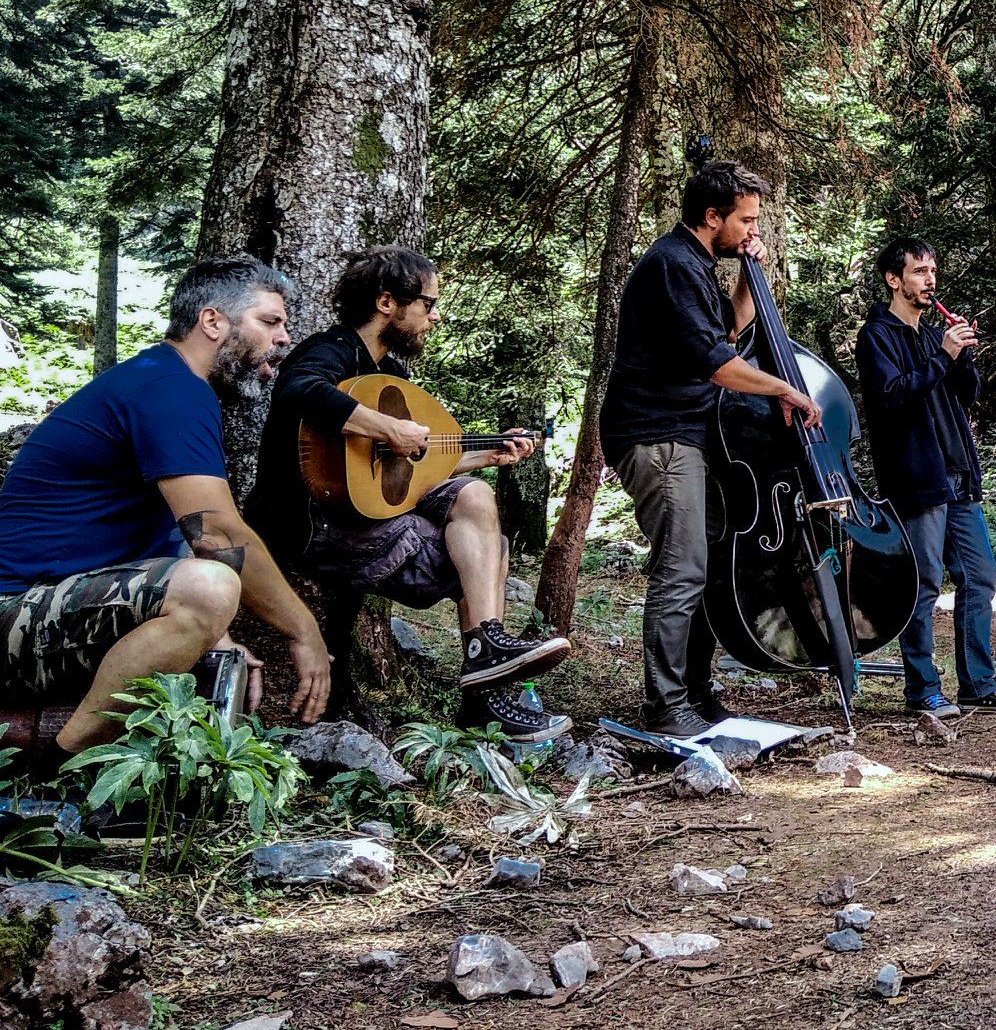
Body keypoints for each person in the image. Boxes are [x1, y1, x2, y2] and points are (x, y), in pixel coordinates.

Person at [0, 257, 332, 761]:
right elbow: (216, 535)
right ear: (213, 321)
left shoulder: (169, 383)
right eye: (270, 321)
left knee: (210, 618)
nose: (284, 338)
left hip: (47, 610)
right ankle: (63, 766)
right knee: (210, 584)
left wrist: (213, 635)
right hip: (12, 614)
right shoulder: (168, 389)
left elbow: (169, 542)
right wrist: (304, 632)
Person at [247, 247, 569, 742]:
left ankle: (486, 653)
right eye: (428, 304)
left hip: (366, 511)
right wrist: (388, 427)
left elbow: (407, 468)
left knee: (477, 498)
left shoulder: (391, 376)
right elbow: (297, 390)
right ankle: (486, 699)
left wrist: (486, 454)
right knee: (487, 557)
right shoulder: (330, 350)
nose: (435, 316)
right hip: (315, 523)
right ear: (386, 303)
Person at [601, 159, 824, 740]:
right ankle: (667, 704)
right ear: (711, 217)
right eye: (746, 221)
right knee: (682, 570)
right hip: (658, 436)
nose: (753, 230)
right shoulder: (673, 265)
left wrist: (751, 275)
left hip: (687, 436)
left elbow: (725, 331)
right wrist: (784, 389)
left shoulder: (695, 263)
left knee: (707, 568)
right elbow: (717, 364)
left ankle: (697, 692)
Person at [856, 238, 996, 721]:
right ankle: (923, 691)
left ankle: (979, 685)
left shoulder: (935, 334)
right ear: (895, 279)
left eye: (933, 270)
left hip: (959, 475)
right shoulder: (876, 336)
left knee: (980, 576)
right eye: (919, 271)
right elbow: (892, 398)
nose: (929, 280)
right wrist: (942, 357)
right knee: (924, 582)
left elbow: (965, 396)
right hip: (916, 479)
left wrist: (962, 357)